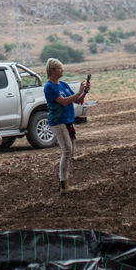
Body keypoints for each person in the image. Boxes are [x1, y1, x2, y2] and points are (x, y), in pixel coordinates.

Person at [43, 59, 90, 192]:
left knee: (70, 151)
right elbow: (63, 102)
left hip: (67, 121)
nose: (62, 70)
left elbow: (78, 101)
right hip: (58, 122)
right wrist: (78, 92)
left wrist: (84, 92)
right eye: (59, 68)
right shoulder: (49, 87)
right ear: (52, 70)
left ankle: (64, 182)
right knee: (67, 150)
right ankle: (64, 184)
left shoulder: (63, 84)